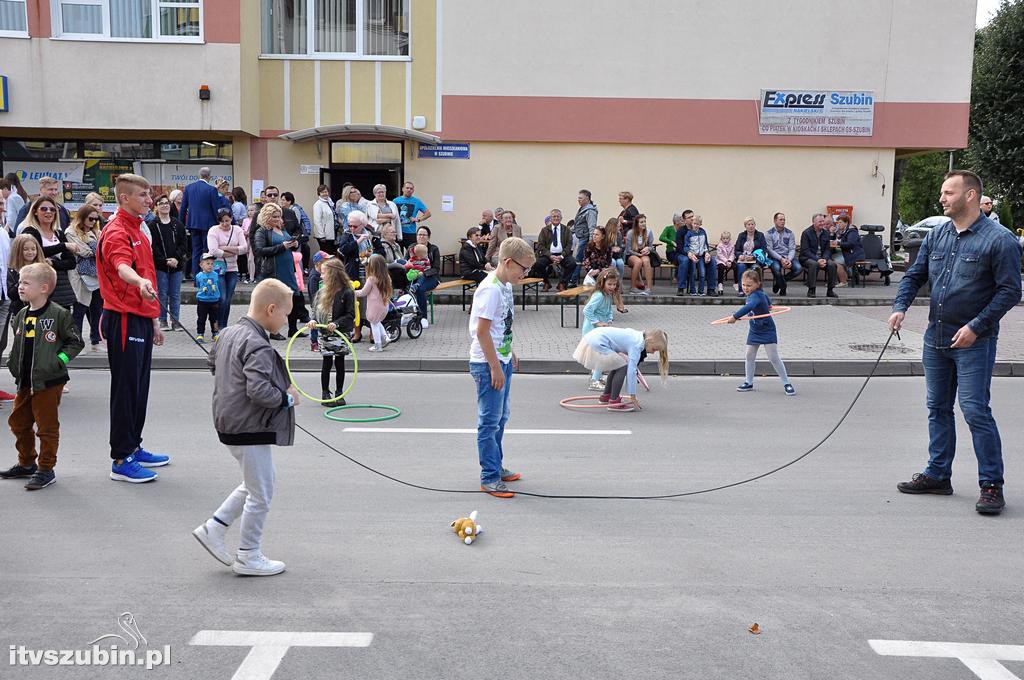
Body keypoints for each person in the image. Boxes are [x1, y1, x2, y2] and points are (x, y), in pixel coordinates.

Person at [889, 170, 1022, 515]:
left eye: (949, 192)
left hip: (974, 342)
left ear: (971, 196)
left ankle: (991, 485)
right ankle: (938, 474)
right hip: (936, 337)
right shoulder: (937, 236)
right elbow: (916, 275)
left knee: (976, 411)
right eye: (942, 192)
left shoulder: (1000, 240)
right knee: (937, 408)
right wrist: (900, 307)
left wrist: (977, 326)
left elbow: (1010, 291)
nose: (942, 198)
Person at [194, 278, 299, 576]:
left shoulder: (228, 332)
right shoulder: (258, 344)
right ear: (270, 309)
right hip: (248, 427)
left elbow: (212, 364)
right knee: (261, 493)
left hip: (231, 422)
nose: (286, 319)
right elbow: (259, 392)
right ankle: (249, 555)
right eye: (285, 314)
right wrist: (287, 398)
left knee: (258, 483)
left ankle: (213, 528)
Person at [96, 174, 170, 482]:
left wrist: (153, 319)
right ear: (124, 198)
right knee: (126, 389)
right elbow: (123, 267)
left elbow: (145, 273)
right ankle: (121, 459)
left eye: (150, 195)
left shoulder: (138, 228)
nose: (149, 200)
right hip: (123, 318)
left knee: (139, 388)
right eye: (143, 195)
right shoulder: (116, 232)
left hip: (140, 315)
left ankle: (134, 446)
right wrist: (138, 282)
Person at [0, 263, 84, 490]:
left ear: (44, 288)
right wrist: (12, 364)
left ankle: (46, 468)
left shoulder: (58, 314)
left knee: (46, 428)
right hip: (25, 382)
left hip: (48, 382)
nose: (20, 287)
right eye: (20, 282)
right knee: (18, 422)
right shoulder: (21, 315)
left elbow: (75, 342)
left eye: (26, 283)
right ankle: (27, 462)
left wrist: (59, 361)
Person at [469, 236, 535, 498]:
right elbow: (482, 332)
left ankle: (496, 464)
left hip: (501, 359)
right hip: (487, 364)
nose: (525, 273)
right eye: (523, 268)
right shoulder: (491, 289)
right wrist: (495, 367)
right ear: (508, 262)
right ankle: (489, 476)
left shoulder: (506, 286)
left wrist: (509, 351)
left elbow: (500, 327)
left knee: (501, 417)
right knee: (489, 421)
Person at [727, 269, 795, 396]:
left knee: (773, 357)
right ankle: (748, 382)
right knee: (749, 356)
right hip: (754, 329)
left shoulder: (755, 296)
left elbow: (749, 307)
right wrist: (768, 305)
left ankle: (787, 383)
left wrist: (735, 317)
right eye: (743, 285)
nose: (746, 288)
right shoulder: (757, 294)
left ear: (758, 284)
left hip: (767, 329)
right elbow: (765, 300)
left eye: (749, 285)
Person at [573, 327, 669, 412]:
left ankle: (606, 396)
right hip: (598, 341)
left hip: (593, 337)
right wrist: (632, 395)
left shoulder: (637, 336)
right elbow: (631, 371)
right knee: (623, 366)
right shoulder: (637, 345)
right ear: (649, 340)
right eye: (654, 349)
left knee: (618, 364)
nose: (652, 353)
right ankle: (613, 401)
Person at [253, 203, 305, 340]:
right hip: (274, 271)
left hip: (288, 269)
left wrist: (295, 244)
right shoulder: (262, 231)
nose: (278, 219)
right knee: (275, 302)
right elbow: (259, 251)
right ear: (266, 217)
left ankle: (293, 329)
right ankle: (274, 331)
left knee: (294, 297)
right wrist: (281, 247)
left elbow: (289, 245)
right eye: (274, 217)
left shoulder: (281, 229)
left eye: (279, 216)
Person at [309, 258, 356, 404]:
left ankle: (339, 392)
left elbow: (350, 315)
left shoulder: (347, 292)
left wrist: (337, 323)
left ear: (333, 274)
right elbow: (314, 311)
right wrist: (313, 321)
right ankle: (325, 393)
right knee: (327, 362)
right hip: (325, 334)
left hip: (340, 333)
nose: (321, 276)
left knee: (340, 362)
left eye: (324, 273)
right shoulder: (320, 292)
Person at [21, 197, 79, 310]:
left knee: (62, 324)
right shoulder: (30, 232)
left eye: (52, 210)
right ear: (35, 212)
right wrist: (63, 246)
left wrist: (53, 263)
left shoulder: (59, 233)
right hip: (39, 287)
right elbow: (36, 253)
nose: (49, 212)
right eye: (44, 209)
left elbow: (71, 263)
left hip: (62, 288)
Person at [65, 205, 104, 350]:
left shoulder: (95, 231)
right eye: (90, 218)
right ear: (82, 217)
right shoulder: (71, 231)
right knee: (79, 310)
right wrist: (95, 248)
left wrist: (94, 249)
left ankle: (96, 341)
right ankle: (76, 344)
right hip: (78, 275)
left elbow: (102, 250)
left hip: (95, 275)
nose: (93, 221)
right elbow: (83, 251)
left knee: (96, 309)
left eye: (96, 218)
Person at [179, 167, 229, 277]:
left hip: (193, 224)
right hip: (208, 225)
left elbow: (183, 208)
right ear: (209, 177)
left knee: (195, 251)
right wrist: (220, 224)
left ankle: (197, 278)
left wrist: (181, 224)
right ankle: (206, 276)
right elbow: (216, 208)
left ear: (199, 175)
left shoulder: (188, 188)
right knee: (207, 251)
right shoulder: (211, 190)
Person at [149, 194, 188, 332]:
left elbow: (183, 244)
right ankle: (163, 320)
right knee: (162, 294)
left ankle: (176, 321)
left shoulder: (177, 224)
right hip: (161, 266)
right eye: (161, 203)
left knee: (175, 294)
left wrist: (176, 259)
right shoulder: (153, 225)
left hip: (176, 265)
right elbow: (153, 247)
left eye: (166, 203)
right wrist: (164, 261)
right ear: (156, 207)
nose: (165, 205)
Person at [583, 267, 625, 390]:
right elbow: (587, 310)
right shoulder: (599, 296)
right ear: (602, 282)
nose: (612, 287)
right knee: (601, 355)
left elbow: (608, 311)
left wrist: (609, 319)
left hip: (600, 330)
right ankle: (594, 381)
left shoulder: (607, 295)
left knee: (600, 355)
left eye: (614, 284)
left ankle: (597, 376)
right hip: (592, 330)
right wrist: (598, 323)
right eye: (609, 284)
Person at [207, 207, 248, 332]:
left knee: (228, 299)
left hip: (232, 268)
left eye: (227, 221)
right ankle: (218, 325)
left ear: (231, 219)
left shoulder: (237, 230)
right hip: (218, 267)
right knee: (222, 297)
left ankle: (223, 325)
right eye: (222, 221)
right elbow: (213, 250)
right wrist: (233, 251)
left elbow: (244, 248)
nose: (224, 224)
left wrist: (225, 248)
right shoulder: (213, 230)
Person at [532, 208, 575, 291]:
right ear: (550, 218)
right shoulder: (544, 230)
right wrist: (550, 255)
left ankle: (562, 283)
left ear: (561, 218)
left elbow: (569, 245)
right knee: (537, 264)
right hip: (548, 254)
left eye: (558, 217)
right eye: (554, 216)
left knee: (572, 263)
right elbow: (540, 245)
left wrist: (561, 256)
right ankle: (546, 282)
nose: (556, 218)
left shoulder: (566, 230)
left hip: (563, 255)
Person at [357, 254, 392, 352]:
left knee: (374, 324)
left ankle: (378, 345)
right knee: (377, 322)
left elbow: (363, 292)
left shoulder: (371, 279)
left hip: (374, 307)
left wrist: (352, 292)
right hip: (384, 306)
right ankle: (385, 338)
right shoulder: (387, 277)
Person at [406, 225, 440, 328]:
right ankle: (407, 315)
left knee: (420, 289)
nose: (421, 237)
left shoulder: (433, 249)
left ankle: (423, 317)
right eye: (419, 234)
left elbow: (436, 268)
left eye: (424, 235)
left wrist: (423, 273)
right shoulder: (411, 248)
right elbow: (406, 263)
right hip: (414, 277)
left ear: (428, 237)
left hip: (431, 278)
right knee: (405, 288)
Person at [799, 213, 839, 298]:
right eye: (820, 222)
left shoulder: (826, 233)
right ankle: (811, 289)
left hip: (822, 258)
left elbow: (828, 250)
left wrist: (824, 259)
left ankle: (830, 290)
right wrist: (817, 259)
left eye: (823, 221)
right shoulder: (806, 233)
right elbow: (805, 251)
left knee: (832, 265)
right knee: (814, 264)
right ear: (813, 222)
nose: (822, 223)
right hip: (808, 258)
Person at [677, 214, 716, 296]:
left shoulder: (702, 231)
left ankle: (711, 289)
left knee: (713, 260)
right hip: (683, 254)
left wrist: (707, 253)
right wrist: (689, 253)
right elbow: (680, 247)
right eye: (689, 218)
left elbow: (705, 244)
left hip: (700, 255)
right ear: (685, 220)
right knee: (685, 260)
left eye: (692, 217)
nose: (691, 219)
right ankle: (681, 288)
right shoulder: (682, 231)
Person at [765, 212, 802, 296]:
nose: (783, 221)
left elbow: (792, 248)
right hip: (774, 257)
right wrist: (781, 259)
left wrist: (788, 259)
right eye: (780, 219)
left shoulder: (790, 233)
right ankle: (783, 287)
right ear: (775, 221)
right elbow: (769, 250)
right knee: (776, 269)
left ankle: (779, 283)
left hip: (787, 256)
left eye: (784, 220)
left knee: (798, 268)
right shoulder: (768, 233)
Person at [571, 189, 599, 285]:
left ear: (587, 198)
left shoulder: (590, 211)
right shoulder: (582, 209)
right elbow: (577, 225)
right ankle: (577, 279)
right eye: (578, 198)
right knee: (579, 259)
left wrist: (592, 241)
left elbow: (592, 227)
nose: (578, 200)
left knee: (578, 259)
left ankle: (574, 280)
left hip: (585, 238)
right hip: (581, 237)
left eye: (580, 198)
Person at [734, 218, 768, 295]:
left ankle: (756, 290)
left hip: (755, 260)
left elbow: (764, 249)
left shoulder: (760, 235)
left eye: (752, 224)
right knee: (741, 267)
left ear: (755, 225)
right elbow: (736, 250)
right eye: (748, 225)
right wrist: (740, 255)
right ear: (745, 226)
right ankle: (741, 290)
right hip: (744, 260)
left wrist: (754, 256)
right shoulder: (741, 235)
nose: (751, 226)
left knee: (755, 269)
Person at [394, 180, 431, 249]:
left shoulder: (417, 201)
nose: (409, 190)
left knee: (413, 253)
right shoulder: (395, 201)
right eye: (407, 188)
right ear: (403, 189)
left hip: (410, 232)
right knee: (397, 255)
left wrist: (418, 219)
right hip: (397, 232)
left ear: (413, 190)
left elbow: (428, 213)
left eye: (411, 188)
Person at [279, 192, 311, 271]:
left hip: (295, 236)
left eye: (283, 200)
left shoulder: (293, 210)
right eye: (281, 200)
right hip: (290, 236)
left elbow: (296, 224)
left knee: (297, 254)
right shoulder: (282, 210)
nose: (281, 202)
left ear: (289, 201)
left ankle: (301, 270)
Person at [625, 214, 655, 295]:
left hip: (644, 254)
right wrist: (638, 254)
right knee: (638, 262)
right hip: (632, 254)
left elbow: (651, 246)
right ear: (637, 224)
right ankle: (633, 287)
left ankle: (649, 288)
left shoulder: (649, 232)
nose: (644, 224)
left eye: (645, 221)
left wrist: (648, 249)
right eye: (641, 222)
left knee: (646, 261)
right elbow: (628, 250)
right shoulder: (630, 233)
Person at [195, 253, 221, 342]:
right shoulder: (198, 276)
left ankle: (215, 333)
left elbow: (218, 285)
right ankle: (200, 334)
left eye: (212, 264)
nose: (210, 266)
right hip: (203, 300)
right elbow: (198, 285)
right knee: (201, 318)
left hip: (214, 300)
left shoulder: (215, 274)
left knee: (214, 318)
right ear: (201, 265)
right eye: (207, 263)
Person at [835, 215, 864, 281]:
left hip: (854, 255)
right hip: (849, 253)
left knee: (834, 262)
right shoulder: (843, 231)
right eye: (837, 223)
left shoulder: (852, 231)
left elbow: (851, 244)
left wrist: (838, 243)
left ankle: (843, 281)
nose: (838, 224)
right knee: (832, 257)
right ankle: (839, 278)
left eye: (840, 222)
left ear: (846, 223)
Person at [312, 184, 337, 255]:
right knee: (325, 254)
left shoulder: (330, 203)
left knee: (330, 253)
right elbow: (317, 221)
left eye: (326, 191)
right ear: (319, 193)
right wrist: (321, 235)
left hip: (331, 233)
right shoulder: (318, 204)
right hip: (324, 236)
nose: (324, 194)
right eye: (322, 192)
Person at [823, 215, 848, 286]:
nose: (825, 226)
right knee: (828, 259)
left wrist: (832, 233)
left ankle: (843, 281)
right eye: (824, 224)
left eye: (827, 224)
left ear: (833, 224)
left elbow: (835, 241)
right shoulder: (823, 231)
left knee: (834, 262)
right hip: (834, 252)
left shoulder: (841, 231)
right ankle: (833, 281)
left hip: (843, 252)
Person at [716, 231, 735, 295]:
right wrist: (726, 261)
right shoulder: (719, 246)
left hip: (729, 261)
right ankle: (720, 284)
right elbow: (720, 255)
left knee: (736, 266)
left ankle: (736, 282)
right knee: (720, 268)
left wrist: (729, 261)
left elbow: (732, 254)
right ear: (721, 239)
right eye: (723, 238)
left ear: (729, 239)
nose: (725, 240)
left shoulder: (732, 246)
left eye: (727, 238)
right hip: (721, 261)